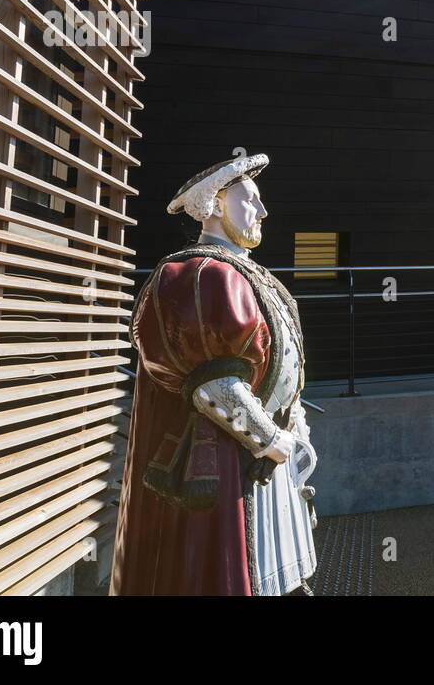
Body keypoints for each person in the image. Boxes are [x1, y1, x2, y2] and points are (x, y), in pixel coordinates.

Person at [111, 153, 318, 595]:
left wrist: (293, 428)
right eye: (250, 201)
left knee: (273, 574)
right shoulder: (200, 275)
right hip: (230, 458)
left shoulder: (240, 272)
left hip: (262, 457)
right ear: (218, 205)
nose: (262, 212)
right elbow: (212, 382)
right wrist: (271, 438)